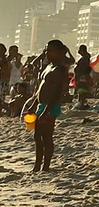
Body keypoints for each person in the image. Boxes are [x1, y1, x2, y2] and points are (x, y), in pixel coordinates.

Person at [31, 40, 68, 172]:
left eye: (50, 50)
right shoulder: (48, 67)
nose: (47, 53)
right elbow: (40, 88)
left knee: (46, 136)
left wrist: (46, 112)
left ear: (59, 52)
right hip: (41, 104)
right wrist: (33, 104)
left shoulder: (60, 69)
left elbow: (57, 93)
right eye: (46, 50)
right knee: (37, 136)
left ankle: (45, 166)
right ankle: (37, 165)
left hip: (51, 106)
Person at [75, 45, 92, 110]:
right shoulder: (85, 57)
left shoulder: (85, 58)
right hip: (82, 75)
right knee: (81, 90)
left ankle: (81, 104)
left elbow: (84, 67)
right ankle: (81, 103)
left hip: (82, 76)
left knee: (82, 90)